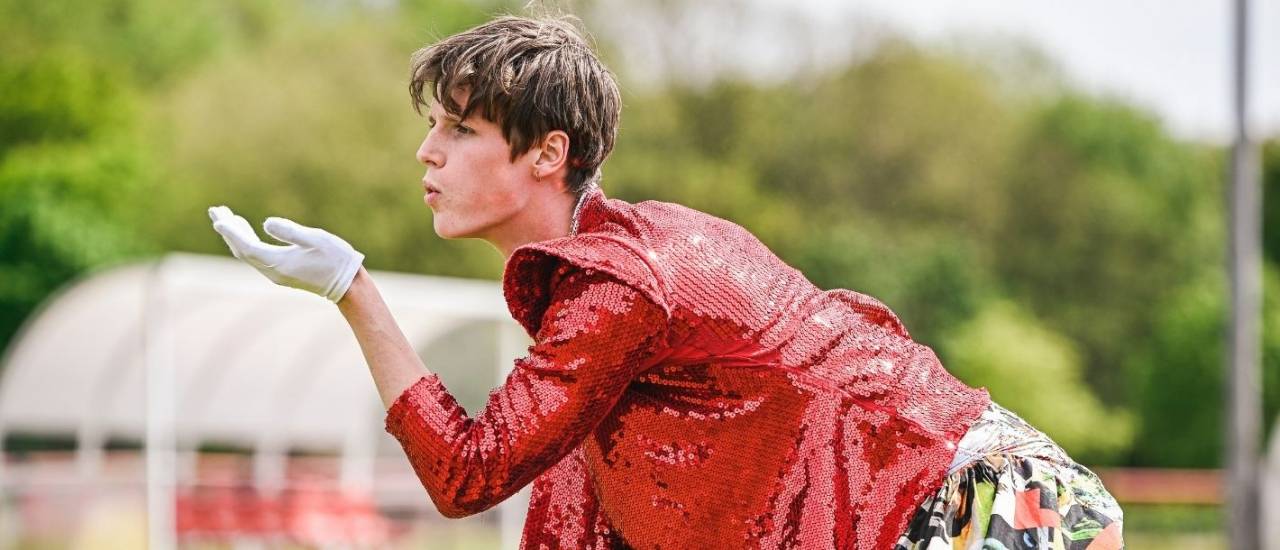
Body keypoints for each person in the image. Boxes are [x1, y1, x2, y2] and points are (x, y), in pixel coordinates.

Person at [208, 15, 1124, 550]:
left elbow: (467, 473)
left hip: (987, 506)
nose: (426, 151)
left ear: (545, 154)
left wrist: (353, 291)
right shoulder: (600, 303)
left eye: (458, 130)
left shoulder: (620, 288)